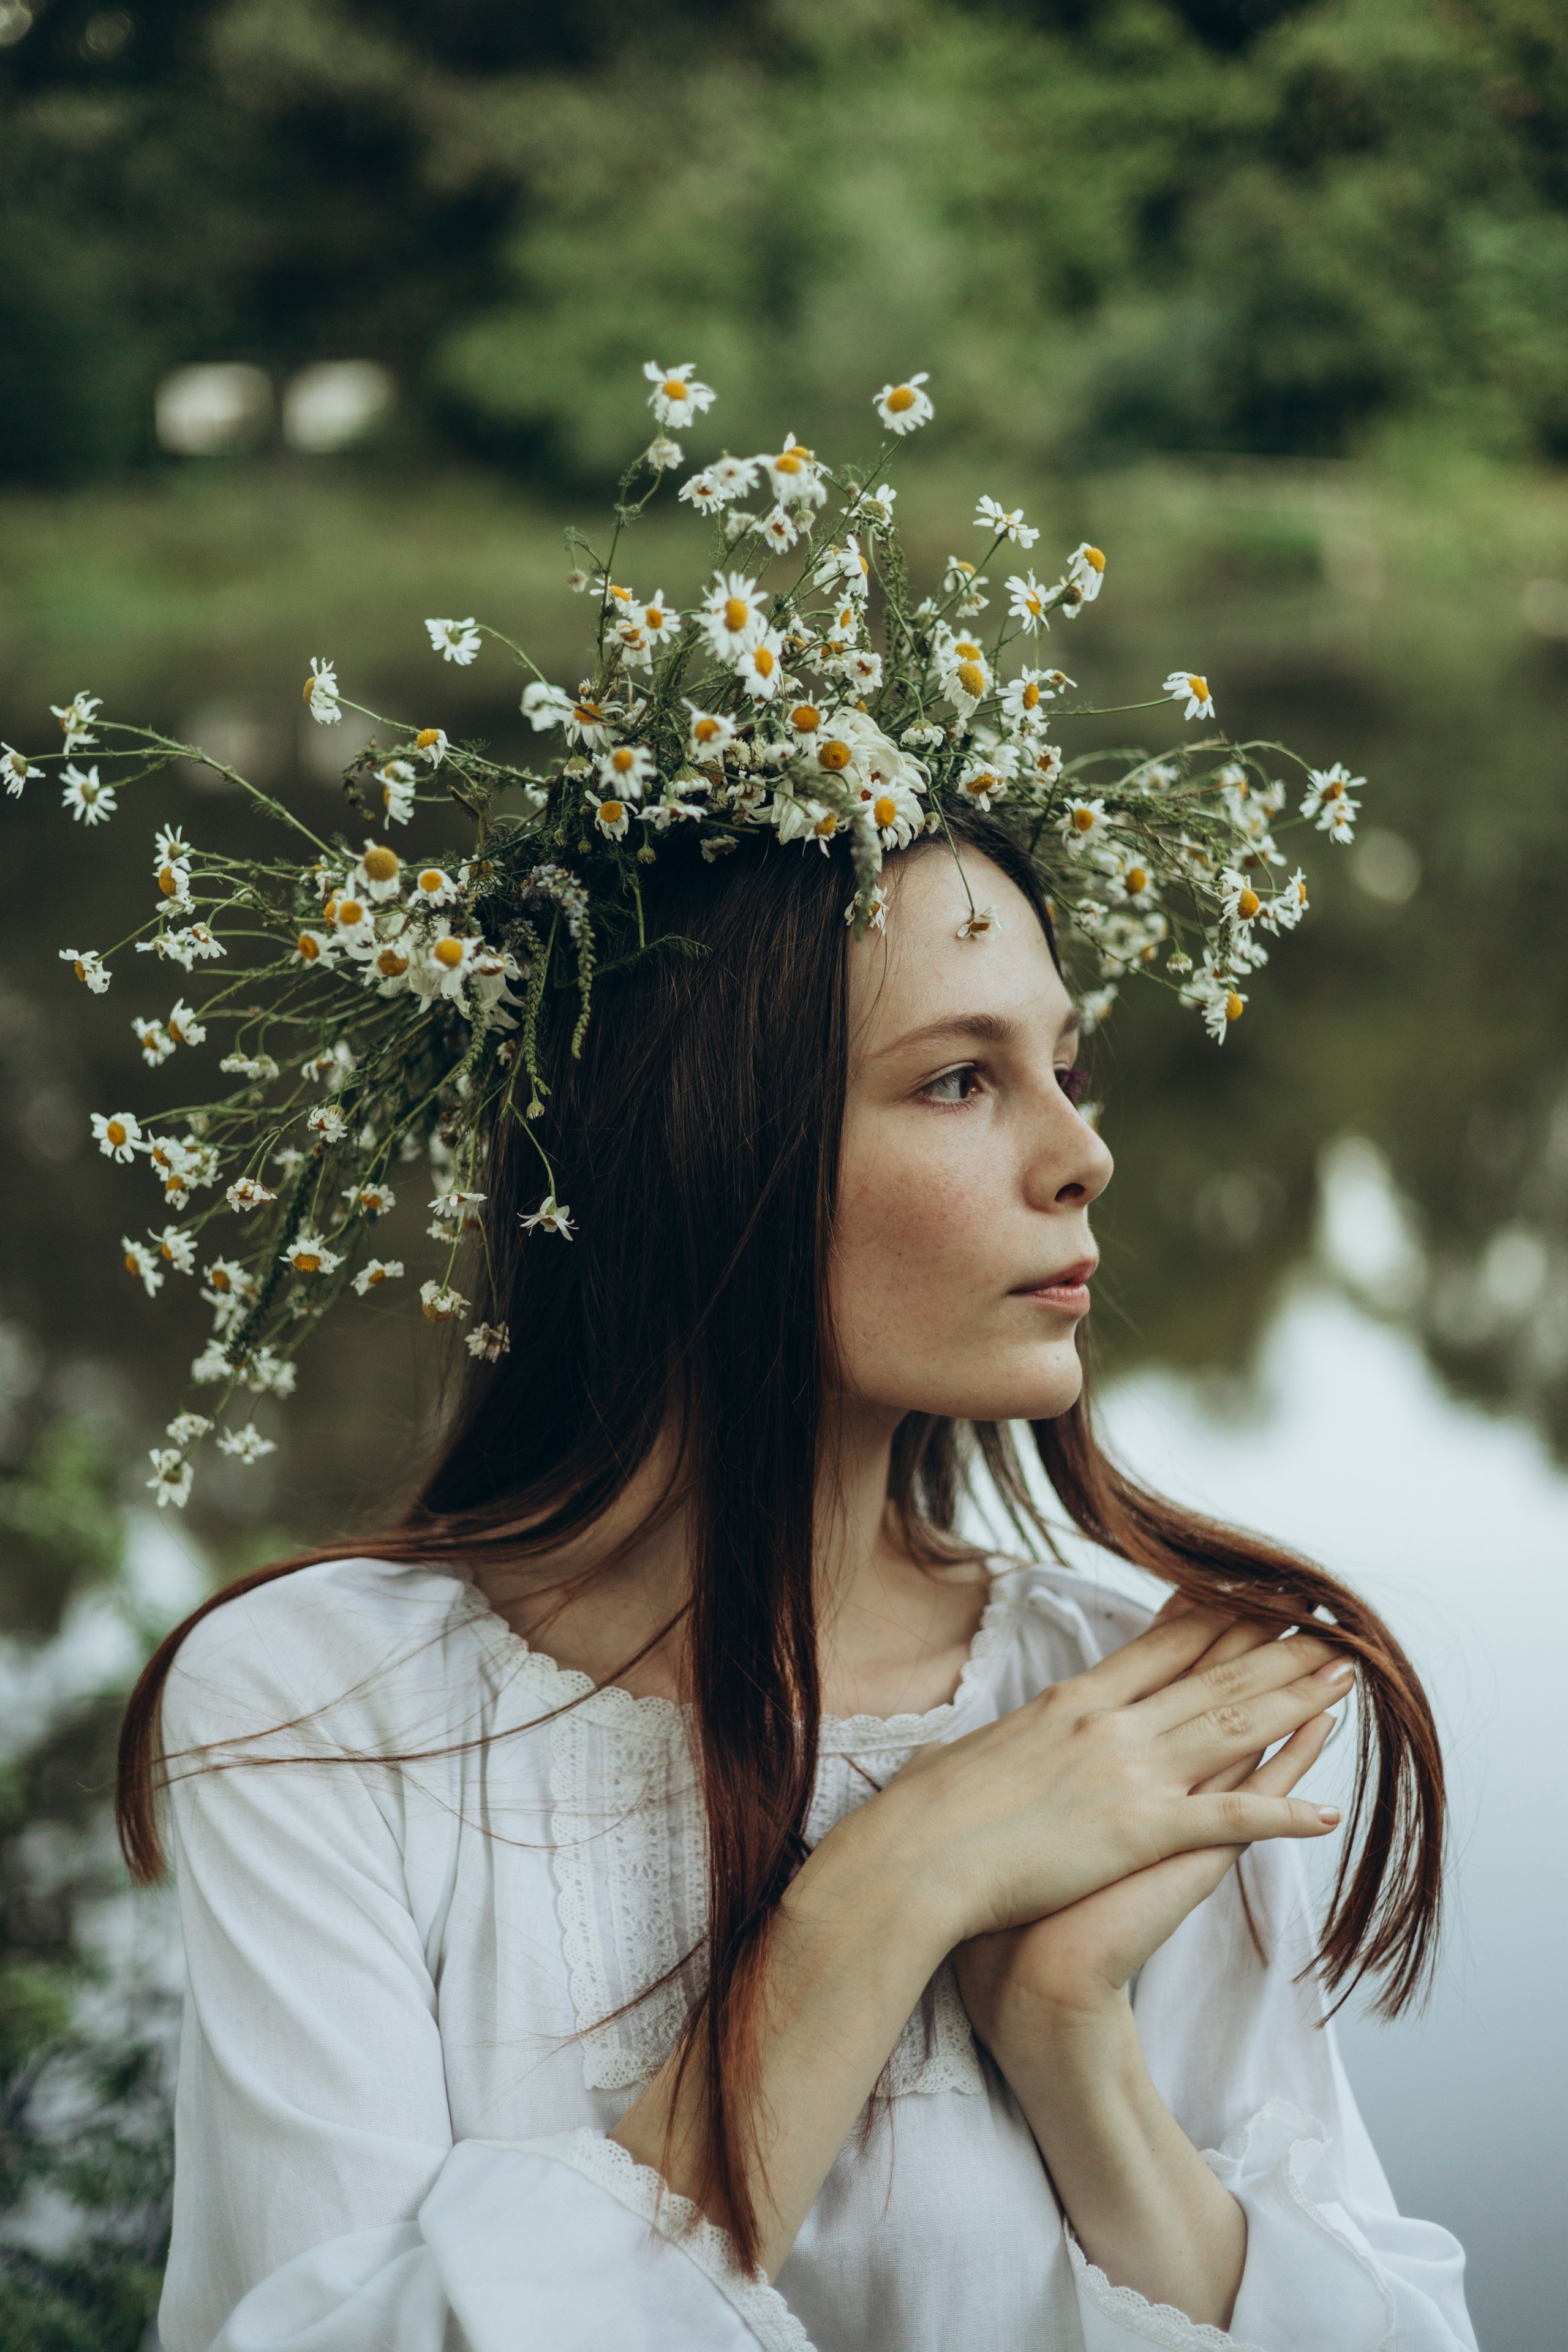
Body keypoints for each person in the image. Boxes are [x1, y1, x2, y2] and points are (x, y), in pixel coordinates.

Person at [120, 813, 1476, 2351]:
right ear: (694, 1148)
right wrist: (886, 1893)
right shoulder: (325, 1703)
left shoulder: (1121, 1714)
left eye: (1066, 1068)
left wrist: (1068, 2042)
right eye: (958, 1080)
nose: (1081, 1155)